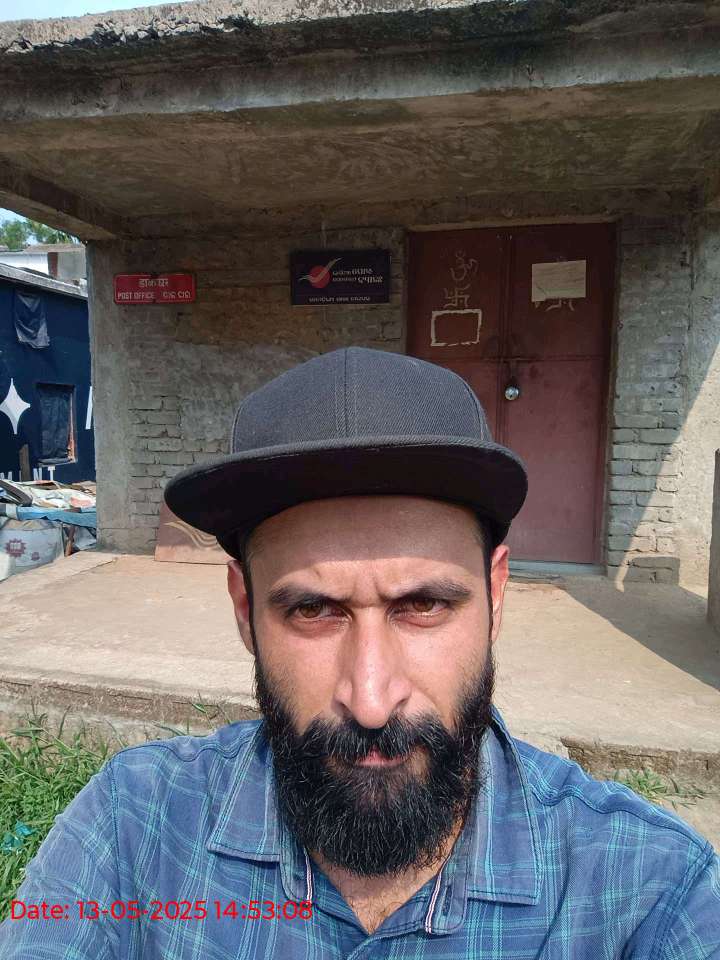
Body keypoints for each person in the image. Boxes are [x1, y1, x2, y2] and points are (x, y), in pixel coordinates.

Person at [1, 347, 718, 959]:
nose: (371, 700)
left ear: (496, 597)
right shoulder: (133, 826)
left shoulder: (650, 893)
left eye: (424, 605)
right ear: (245, 609)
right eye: (313, 610)